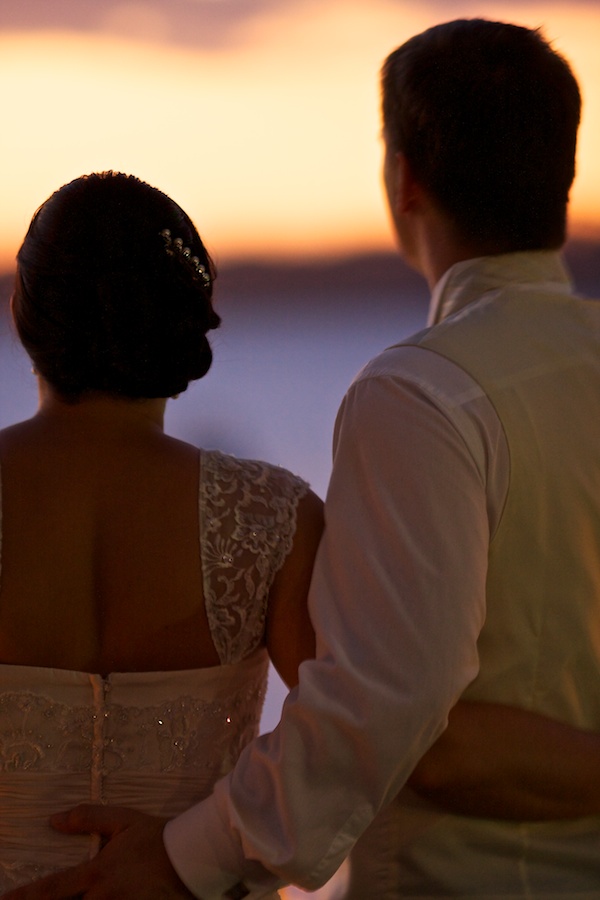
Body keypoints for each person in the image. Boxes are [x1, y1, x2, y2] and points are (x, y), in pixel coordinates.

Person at [5, 17, 600, 899]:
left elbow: (383, 710)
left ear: (405, 178)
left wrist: (182, 858)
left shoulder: (425, 395)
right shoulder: (269, 518)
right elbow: (361, 714)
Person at [0, 171, 323, 894]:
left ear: (22, 312)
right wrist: (204, 859)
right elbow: (348, 743)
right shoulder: (274, 515)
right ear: (185, 325)